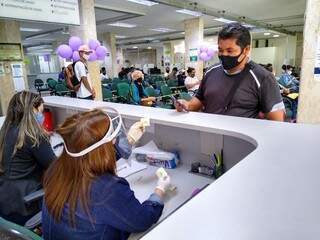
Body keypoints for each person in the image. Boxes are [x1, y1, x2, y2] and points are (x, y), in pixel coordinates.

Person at [42, 109, 170, 240]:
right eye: (112, 139)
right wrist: (160, 189)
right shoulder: (108, 189)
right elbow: (143, 219)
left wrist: (130, 141)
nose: (114, 141)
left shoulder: (56, 168)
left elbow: (89, 158)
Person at [175, 23, 285, 121]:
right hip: (210, 136)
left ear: (246, 50)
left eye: (230, 51)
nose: (224, 55)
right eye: (221, 50)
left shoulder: (263, 77)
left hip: (242, 141)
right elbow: (200, 99)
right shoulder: (211, 72)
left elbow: (277, 120)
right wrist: (187, 105)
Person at [0, 91, 56, 225]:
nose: (41, 116)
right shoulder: (34, 136)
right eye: (40, 111)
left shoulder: (6, 131)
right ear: (32, 110)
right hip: (25, 207)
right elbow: (55, 166)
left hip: (4, 202)